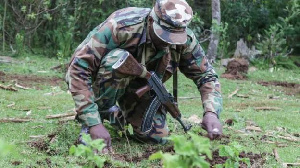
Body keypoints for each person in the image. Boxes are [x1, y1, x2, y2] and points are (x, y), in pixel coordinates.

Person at [66, 0, 223, 153]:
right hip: (105, 82)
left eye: (174, 38)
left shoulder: (185, 40)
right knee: (116, 59)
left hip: (142, 88)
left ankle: (122, 116)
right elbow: (78, 69)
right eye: (164, 34)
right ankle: (94, 120)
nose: (167, 43)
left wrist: (211, 112)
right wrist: (93, 123)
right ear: (150, 20)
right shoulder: (121, 26)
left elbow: (206, 76)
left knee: (157, 136)